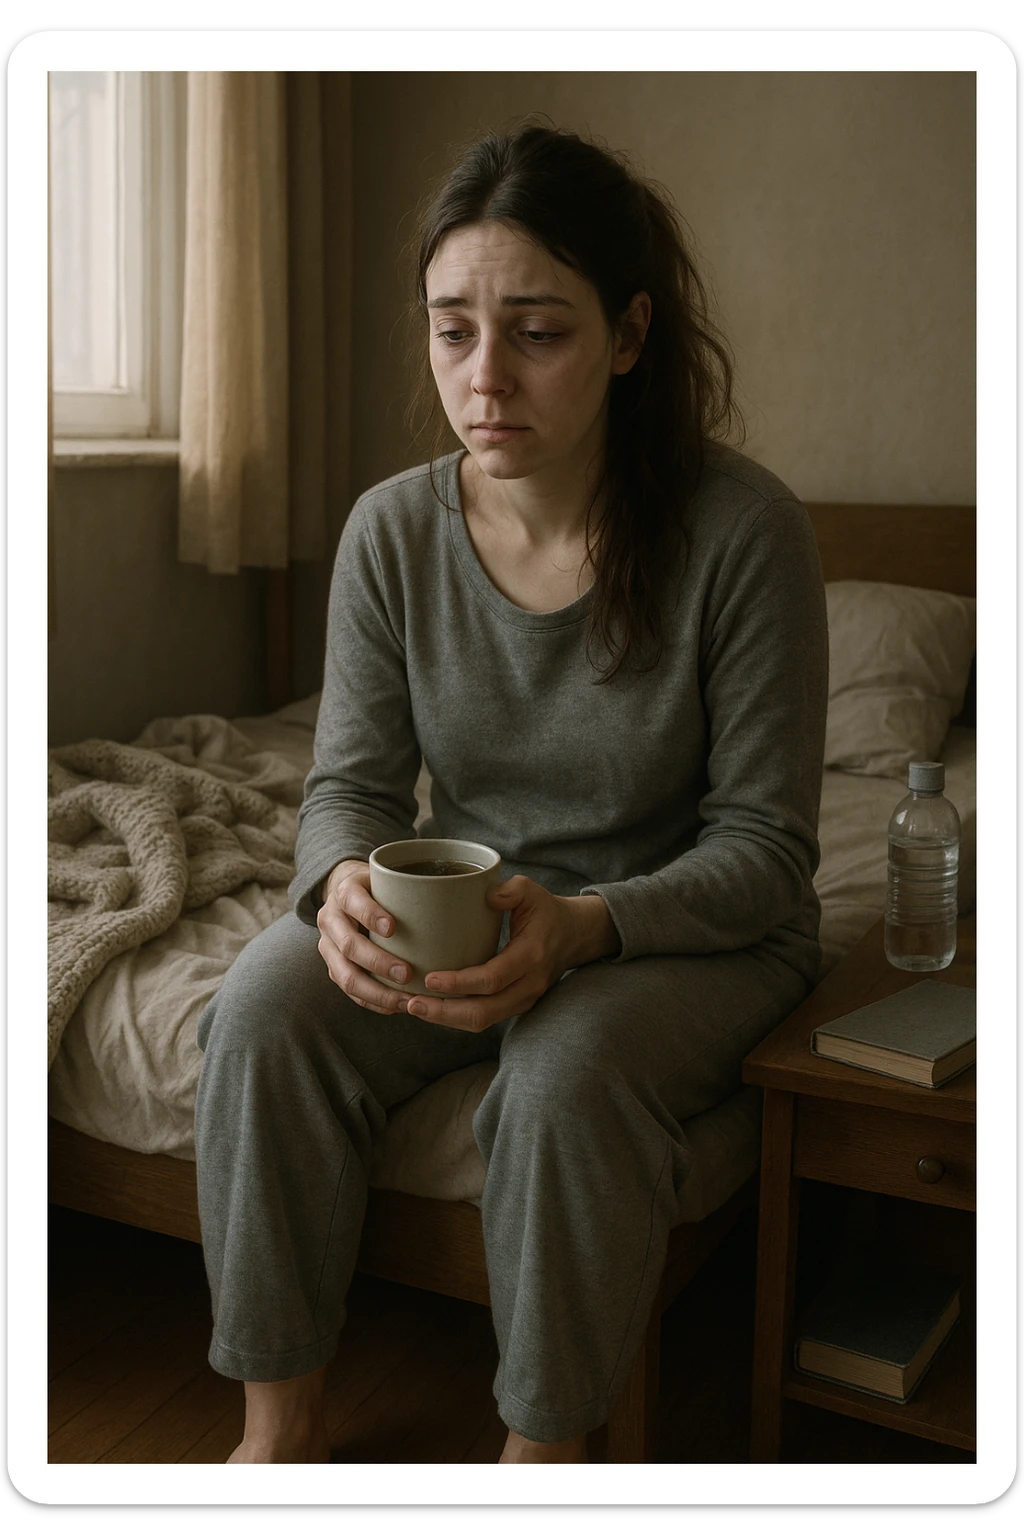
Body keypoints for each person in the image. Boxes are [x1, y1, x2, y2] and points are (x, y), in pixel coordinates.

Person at [194, 121, 829, 1464]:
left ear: (628, 335)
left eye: (536, 332)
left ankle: (545, 1454)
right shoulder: (389, 531)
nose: (484, 380)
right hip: (478, 909)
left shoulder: (744, 533)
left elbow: (768, 849)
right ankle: (278, 1428)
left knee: (561, 1077)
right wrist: (341, 885)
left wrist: (586, 927)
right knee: (259, 1001)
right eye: (451, 330)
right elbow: (348, 786)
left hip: (679, 932)